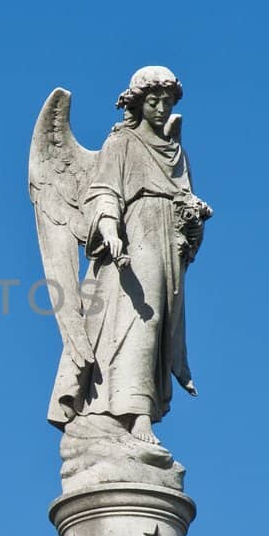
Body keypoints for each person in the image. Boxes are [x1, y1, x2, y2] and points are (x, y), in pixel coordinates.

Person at [49, 66, 210, 444]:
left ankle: (144, 410)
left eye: (165, 102)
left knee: (159, 330)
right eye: (153, 101)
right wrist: (110, 229)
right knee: (139, 325)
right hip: (132, 242)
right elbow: (104, 193)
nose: (159, 108)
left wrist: (193, 218)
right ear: (137, 104)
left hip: (166, 244)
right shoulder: (121, 144)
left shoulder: (176, 152)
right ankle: (133, 413)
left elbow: (183, 201)